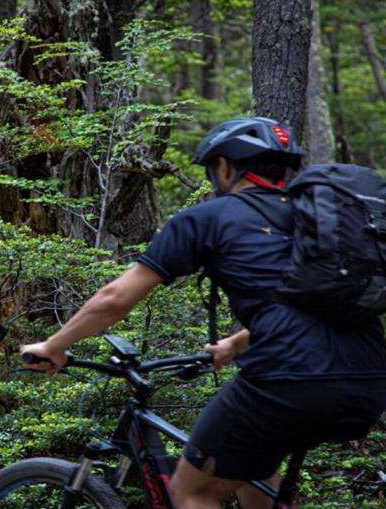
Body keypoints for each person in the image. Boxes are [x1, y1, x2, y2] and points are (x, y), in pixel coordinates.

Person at [20, 117, 386, 509]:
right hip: (370, 375)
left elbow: (116, 298)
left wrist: (55, 345)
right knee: (251, 469)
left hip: (289, 378)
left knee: (194, 491)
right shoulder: (318, 220)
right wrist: (236, 343)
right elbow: (305, 303)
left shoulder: (207, 218)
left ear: (225, 166)